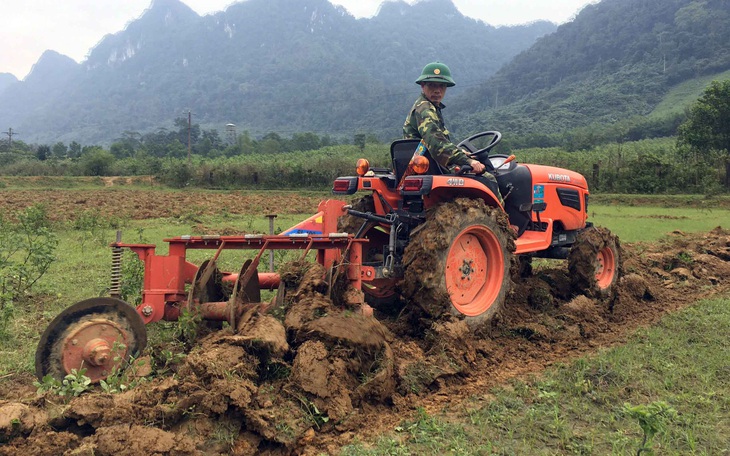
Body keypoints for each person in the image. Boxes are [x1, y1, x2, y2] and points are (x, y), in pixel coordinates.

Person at [403, 61, 486, 174]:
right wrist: (468, 161)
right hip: (428, 169)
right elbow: (437, 144)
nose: (437, 90)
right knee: (488, 178)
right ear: (423, 85)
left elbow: (440, 142)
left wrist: (460, 152)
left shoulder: (429, 107)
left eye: (441, 85)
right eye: (432, 85)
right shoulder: (425, 108)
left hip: (429, 167)